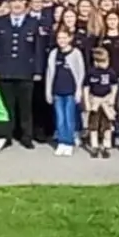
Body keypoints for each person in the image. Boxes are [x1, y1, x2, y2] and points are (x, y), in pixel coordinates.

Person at [0, 0, 43, 149]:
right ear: (8, 4)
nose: (17, 5)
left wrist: (38, 70)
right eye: (13, 1)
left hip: (26, 71)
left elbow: (38, 49)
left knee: (26, 107)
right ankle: (7, 135)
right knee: (6, 106)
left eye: (20, 1)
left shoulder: (33, 23)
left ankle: (26, 136)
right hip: (4, 70)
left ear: (25, 4)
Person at [45, 28, 85, 156]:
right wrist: (48, 91)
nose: (61, 40)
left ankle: (69, 142)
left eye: (64, 38)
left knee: (69, 117)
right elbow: (50, 73)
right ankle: (61, 141)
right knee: (60, 118)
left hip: (71, 91)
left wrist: (79, 90)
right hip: (57, 90)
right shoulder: (54, 53)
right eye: (59, 38)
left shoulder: (76, 53)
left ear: (70, 38)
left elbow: (80, 73)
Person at [82, 46, 117, 159]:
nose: (105, 64)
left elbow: (114, 86)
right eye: (102, 62)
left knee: (107, 126)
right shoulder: (91, 72)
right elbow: (86, 88)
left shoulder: (111, 72)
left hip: (106, 101)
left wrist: (112, 98)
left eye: (106, 61)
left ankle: (107, 146)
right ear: (96, 62)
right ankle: (94, 146)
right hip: (95, 101)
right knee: (93, 126)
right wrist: (87, 102)